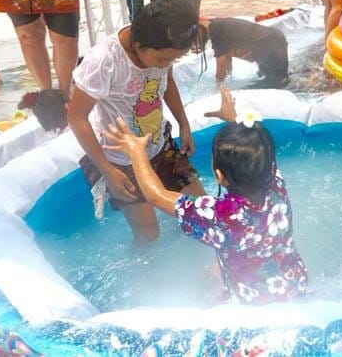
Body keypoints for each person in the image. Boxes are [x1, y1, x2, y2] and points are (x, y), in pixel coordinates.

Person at [101, 88, 307, 303]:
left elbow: (156, 196)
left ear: (219, 176)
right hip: (295, 284)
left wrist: (137, 153)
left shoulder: (218, 215)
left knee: (209, 292)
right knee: (214, 272)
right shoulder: (276, 183)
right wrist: (235, 122)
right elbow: (256, 154)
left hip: (254, 304)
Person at [68, 0, 206, 244]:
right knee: (148, 234)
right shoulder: (104, 60)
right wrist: (108, 171)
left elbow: (167, 82)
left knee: (200, 212)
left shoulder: (164, 49)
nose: (165, 65)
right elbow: (76, 118)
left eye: (172, 60)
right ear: (139, 45)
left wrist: (183, 123)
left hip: (159, 145)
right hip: (121, 159)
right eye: (163, 59)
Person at [204, 16, 288, 88]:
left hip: (271, 43)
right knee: (266, 76)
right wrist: (229, 77)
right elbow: (227, 59)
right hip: (273, 37)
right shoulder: (218, 25)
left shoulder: (216, 31)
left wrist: (217, 88)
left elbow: (220, 69)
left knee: (275, 82)